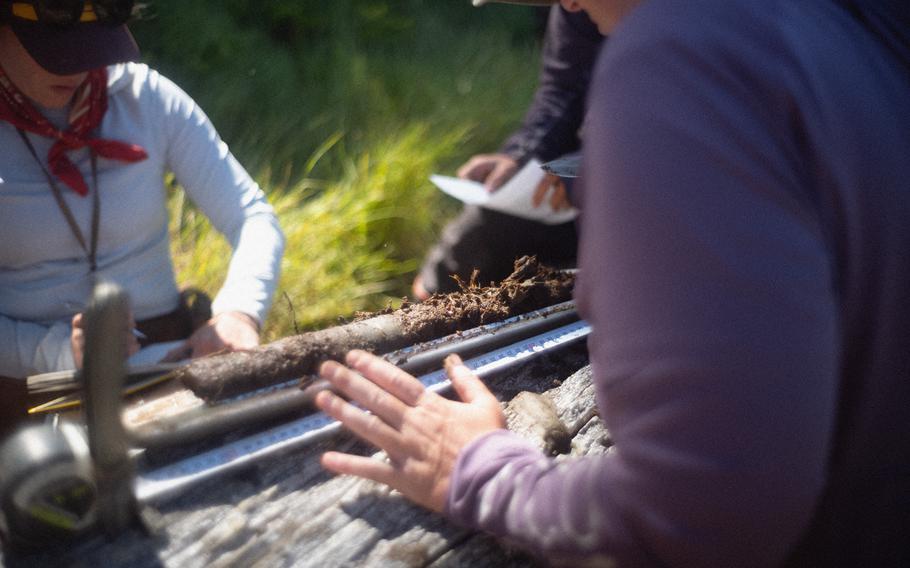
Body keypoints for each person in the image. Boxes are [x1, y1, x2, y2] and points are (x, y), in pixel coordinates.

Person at [314, 0, 910, 565]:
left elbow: (702, 517)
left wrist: (475, 471)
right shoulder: (839, 27)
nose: (565, 9)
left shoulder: (686, 57)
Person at [0, 1, 285, 434]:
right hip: (26, 395)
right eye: (56, 47)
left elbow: (252, 216)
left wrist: (240, 312)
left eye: (91, 46)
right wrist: (58, 351)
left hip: (170, 363)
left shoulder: (146, 99)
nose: (79, 66)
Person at [412, 3, 603, 299]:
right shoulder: (573, 9)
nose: (569, 6)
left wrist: (586, 169)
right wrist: (519, 156)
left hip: (649, 198)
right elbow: (564, 90)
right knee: (478, 232)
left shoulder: (685, 26)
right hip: (577, 178)